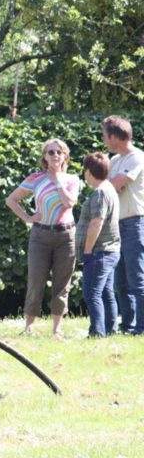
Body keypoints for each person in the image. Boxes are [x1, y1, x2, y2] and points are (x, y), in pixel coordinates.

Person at [5, 138, 80, 336]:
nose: (55, 155)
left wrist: (56, 180)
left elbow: (69, 202)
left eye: (59, 152)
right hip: (40, 235)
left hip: (66, 236)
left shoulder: (72, 179)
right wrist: (27, 218)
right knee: (35, 281)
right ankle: (29, 327)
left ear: (65, 155)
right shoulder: (35, 179)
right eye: (51, 152)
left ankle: (57, 329)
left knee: (62, 283)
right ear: (44, 157)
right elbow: (11, 200)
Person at [102, 115, 144, 335]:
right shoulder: (115, 160)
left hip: (135, 223)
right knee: (121, 281)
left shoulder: (136, 158)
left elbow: (113, 186)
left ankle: (142, 326)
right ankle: (128, 325)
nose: (104, 139)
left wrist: (104, 184)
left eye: (105, 135)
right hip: (117, 225)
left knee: (137, 278)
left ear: (115, 136)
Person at [74, 152, 120, 338]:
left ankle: (97, 332)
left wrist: (87, 249)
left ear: (89, 171)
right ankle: (110, 329)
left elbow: (97, 222)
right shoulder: (110, 188)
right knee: (107, 293)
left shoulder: (101, 192)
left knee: (92, 294)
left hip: (99, 251)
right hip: (111, 251)